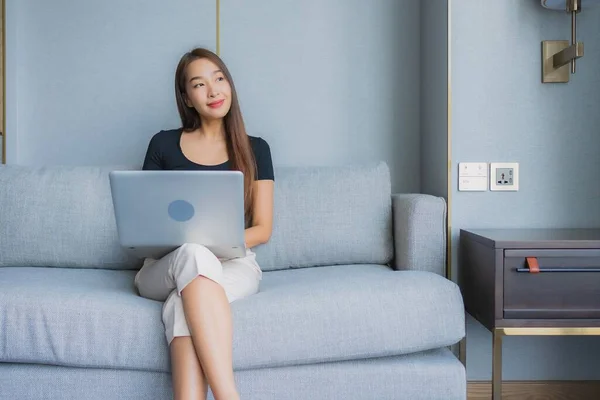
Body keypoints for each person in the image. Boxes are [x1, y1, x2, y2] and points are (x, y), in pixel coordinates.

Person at [134, 48, 274, 400]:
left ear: (229, 85)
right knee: (193, 255)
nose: (213, 91)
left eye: (219, 79)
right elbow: (146, 224)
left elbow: (263, 228)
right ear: (187, 98)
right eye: (199, 84)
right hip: (163, 267)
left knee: (184, 303)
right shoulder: (163, 144)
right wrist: (196, 245)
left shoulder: (256, 149)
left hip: (234, 265)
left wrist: (215, 243)